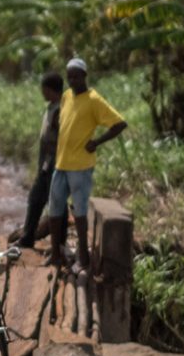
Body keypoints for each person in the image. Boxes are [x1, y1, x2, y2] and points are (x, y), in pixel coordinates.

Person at [50, 58, 128, 271]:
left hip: (81, 166)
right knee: (55, 209)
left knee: (80, 212)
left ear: (84, 76)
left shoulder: (94, 100)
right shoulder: (66, 96)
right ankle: (55, 253)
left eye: (76, 76)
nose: (72, 80)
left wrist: (97, 142)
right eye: (69, 76)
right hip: (61, 164)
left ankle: (82, 257)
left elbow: (119, 124)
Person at [18, 71, 66, 249]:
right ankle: (28, 237)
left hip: (53, 163)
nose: (42, 93)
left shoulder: (59, 110)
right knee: (37, 199)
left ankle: (58, 243)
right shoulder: (52, 107)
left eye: (44, 89)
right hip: (47, 163)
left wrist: (51, 161)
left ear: (51, 90)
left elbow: (62, 137)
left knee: (53, 202)